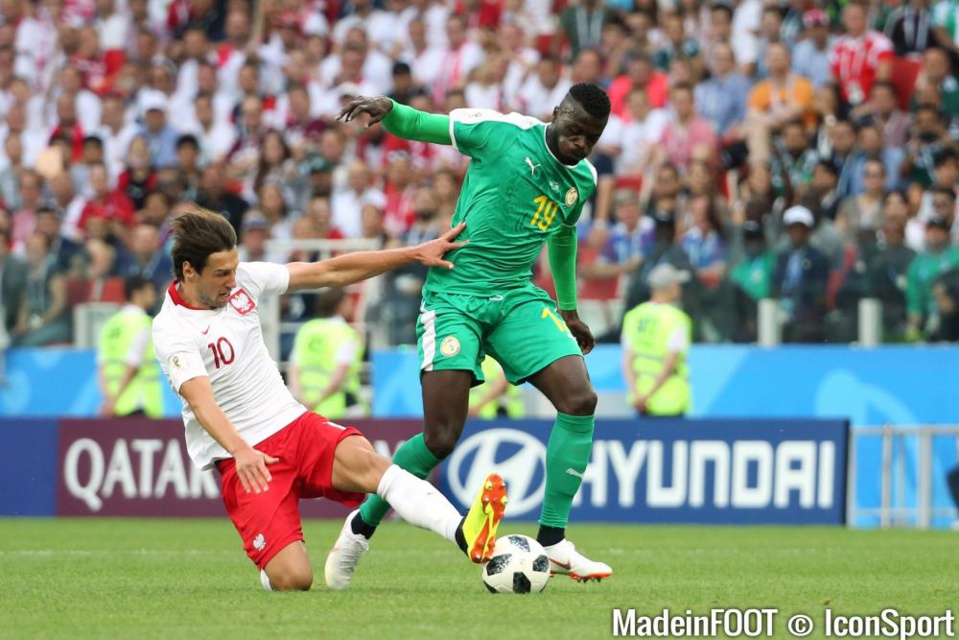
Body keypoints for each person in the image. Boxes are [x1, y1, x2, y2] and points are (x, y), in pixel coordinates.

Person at [332, 83, 613, 587]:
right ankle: (360, 526)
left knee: (580, 399)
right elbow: (423, 125)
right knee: (441, 437)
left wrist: (569, 309)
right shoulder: (501, 132)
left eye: (591, 138)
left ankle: (553, 539)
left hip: (516, 297)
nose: (581, 144)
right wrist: (388, 109)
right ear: (556, 114)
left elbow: (564, 233)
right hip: (454, 295)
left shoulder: (584, 178)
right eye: (575, 132)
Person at [152, 208, 508, 592]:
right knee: (294, 579)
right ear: (189, 271)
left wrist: (413, 253)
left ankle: (463, 532)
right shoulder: (172, 329)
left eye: (235, 269)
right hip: (246, 456)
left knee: (370, 462)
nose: (232, 281)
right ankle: (273, 561)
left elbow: (331, 272)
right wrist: (241, 450)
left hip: (293, 423)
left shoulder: (245, 282)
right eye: (222, 273)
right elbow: (201, 402)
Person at [620, 264, 693, 418]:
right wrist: (649, 396)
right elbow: (670, 363)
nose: (680, 288)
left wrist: (637, 395)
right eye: (677, 284)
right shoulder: (676, 319)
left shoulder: (634, 315)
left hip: (639, 401)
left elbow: (627, 361)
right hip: (670, 400)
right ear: (670, 287)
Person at [288, 288, 366, 419]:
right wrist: (317, 400)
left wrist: (301, 399)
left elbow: (294, 368)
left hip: (305, 408)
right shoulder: (345, 332)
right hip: (337, 407)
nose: (352, 306)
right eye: (349, 302)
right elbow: (340, 374)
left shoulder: (307, 328)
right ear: (340, 304)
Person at [97, 276, 163, 418]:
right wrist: (114, 400)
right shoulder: (143, 323)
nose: (153, 295)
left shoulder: (110, 324)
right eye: (149, 291)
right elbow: (133, 365)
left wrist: (109, 401)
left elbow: (102, 367)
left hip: (115, 405)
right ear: (136, 293)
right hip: (139, 402)